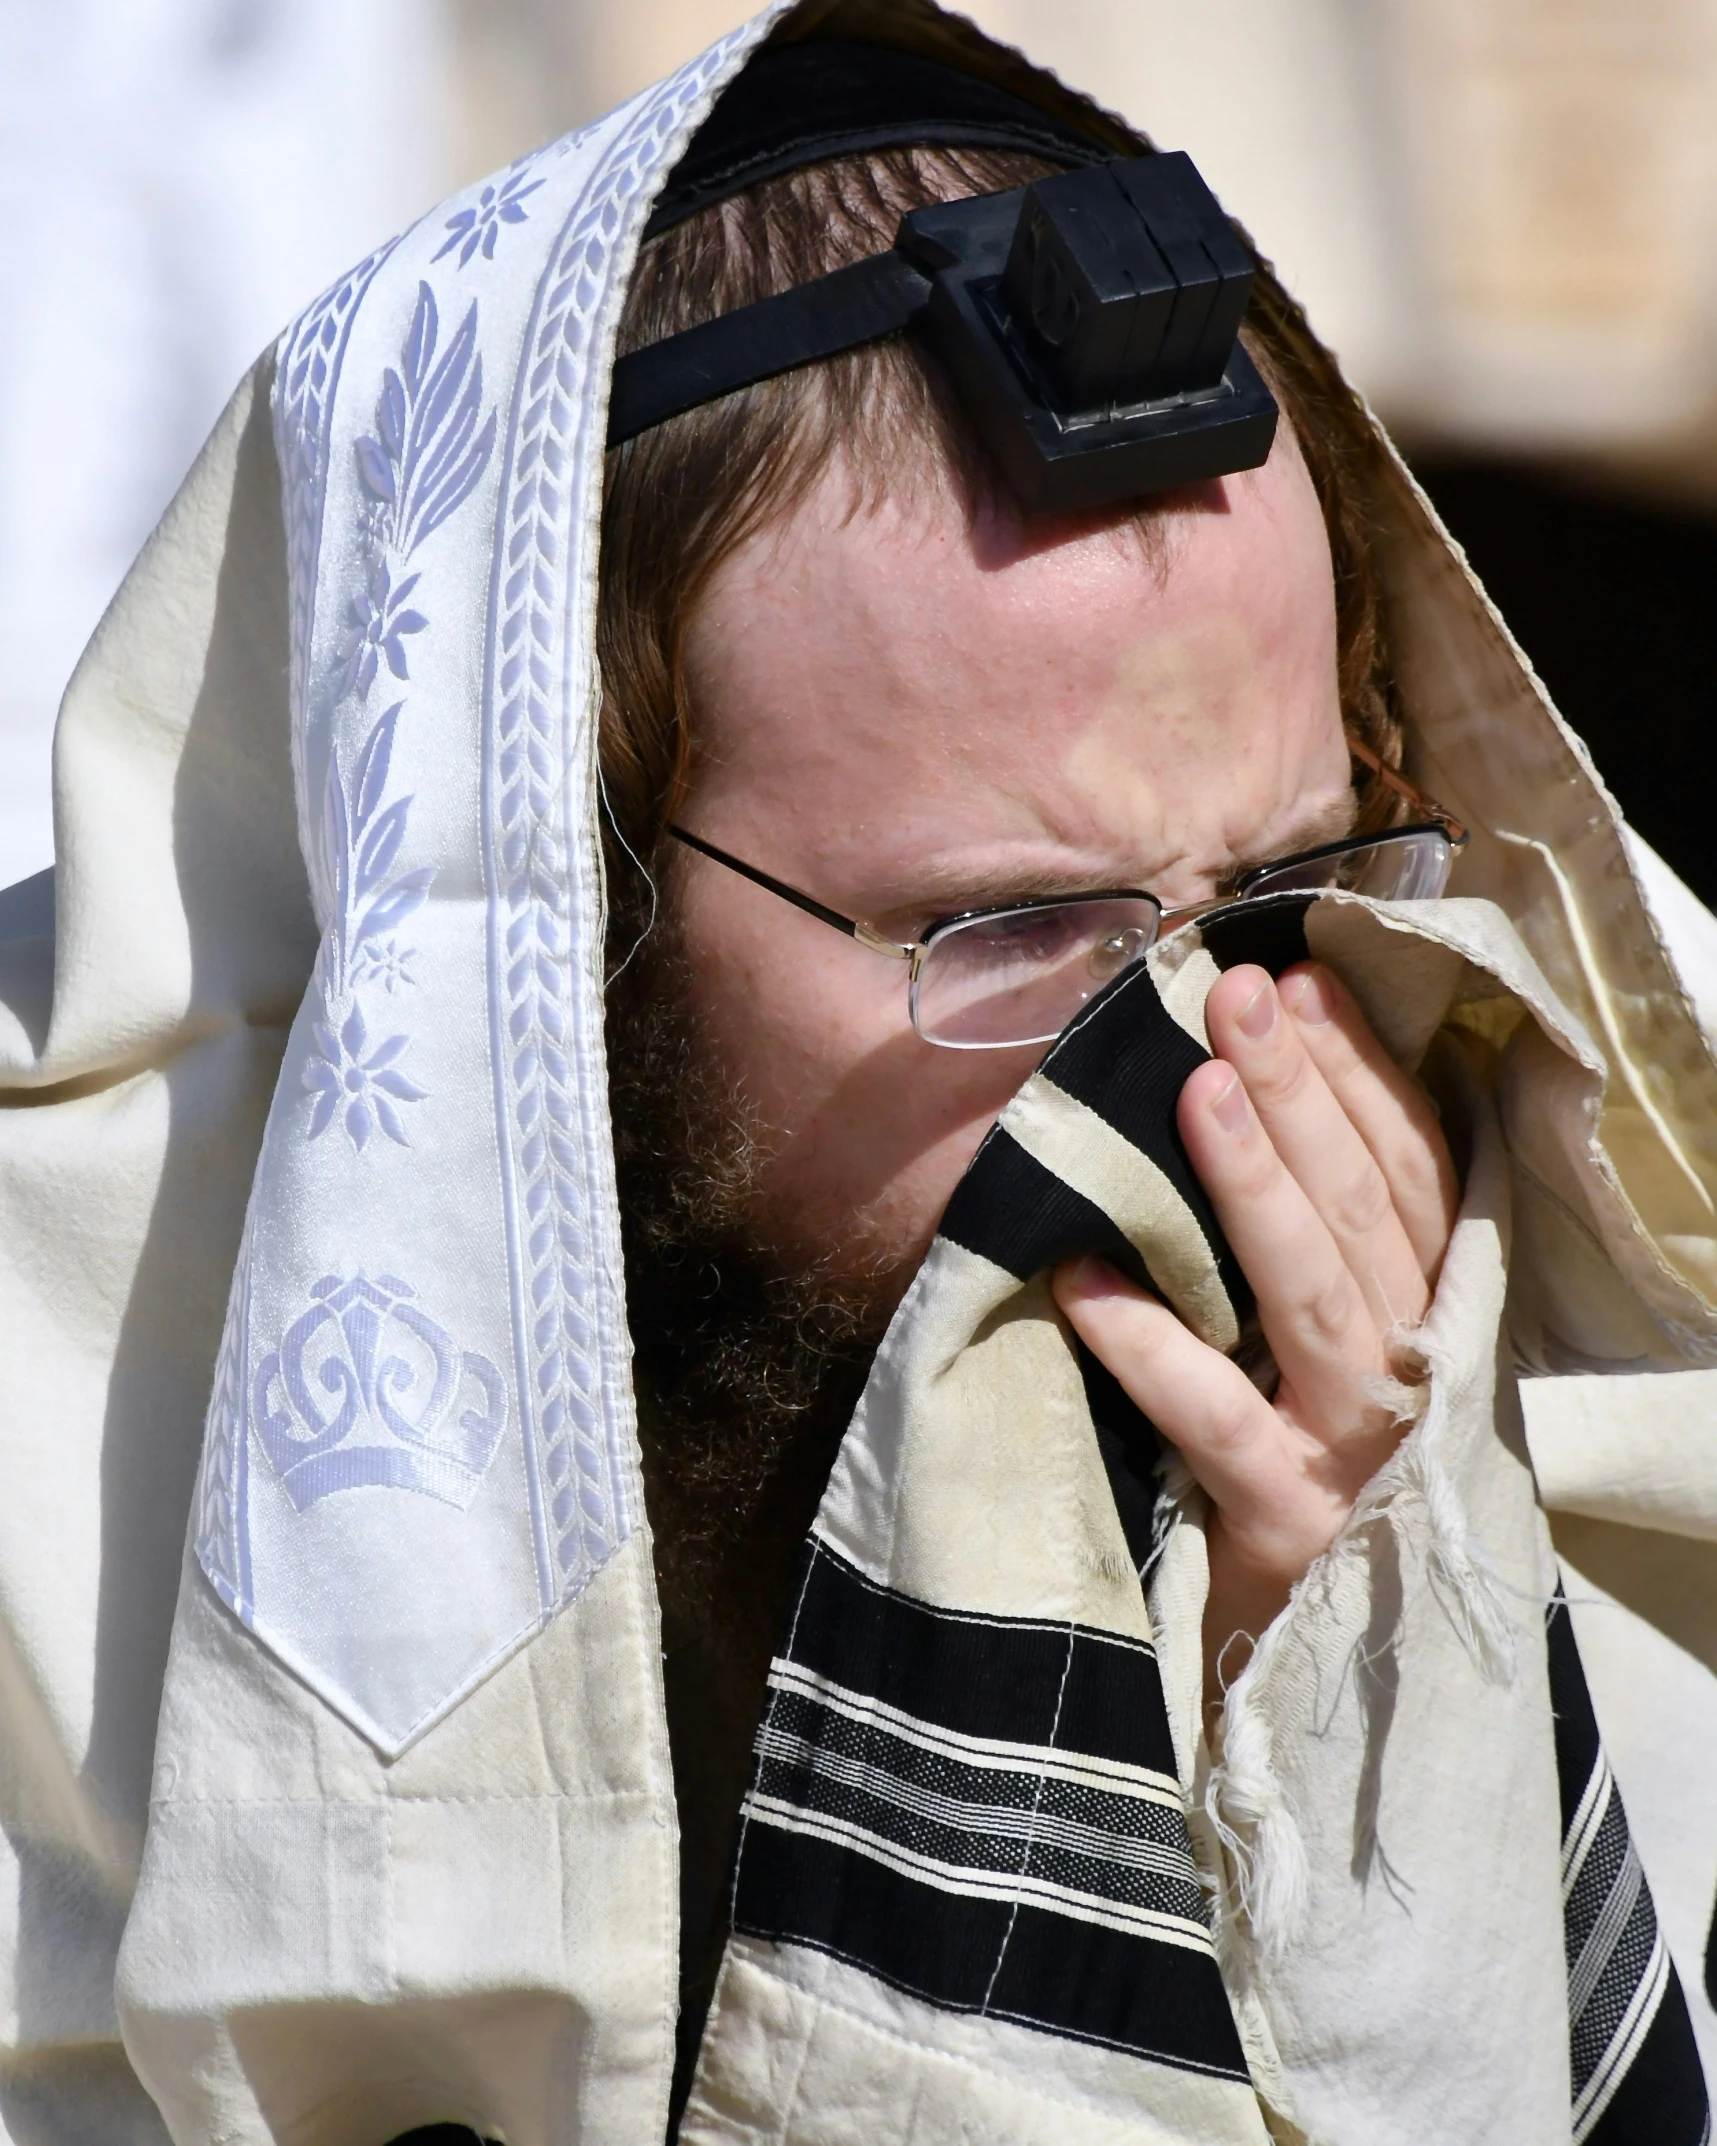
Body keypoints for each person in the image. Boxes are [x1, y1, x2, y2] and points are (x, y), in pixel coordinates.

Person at [1, 7, 1714, 2144]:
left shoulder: (1544, 1465)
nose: (1193, 1076)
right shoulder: (39, 1516)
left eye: (1295, 879)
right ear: (548, 924)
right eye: (1010, 931)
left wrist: (1353, 1751)